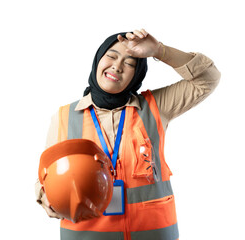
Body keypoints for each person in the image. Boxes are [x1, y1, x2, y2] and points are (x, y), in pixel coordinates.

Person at [35, 29, 221, 240]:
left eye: (130, 63)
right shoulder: (64, 117)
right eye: (111, 56)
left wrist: (160, 51)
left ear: (137, 74)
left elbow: (208, 78)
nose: (118, 66)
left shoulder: (155, 107)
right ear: (98, 61)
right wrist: (47, 198)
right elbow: (44, 179)